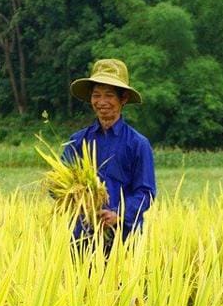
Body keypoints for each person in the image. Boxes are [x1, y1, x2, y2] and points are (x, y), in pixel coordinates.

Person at [63, 58, 156, 251]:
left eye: (109, 95)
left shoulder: (138, 144)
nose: (102, 102)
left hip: (124, 240)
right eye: (96, 95)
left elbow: (145, 193)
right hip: (83, 238)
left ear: (123, 99)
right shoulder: (77, 142)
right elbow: (59, 187)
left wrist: (118, 214)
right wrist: (78, 199)